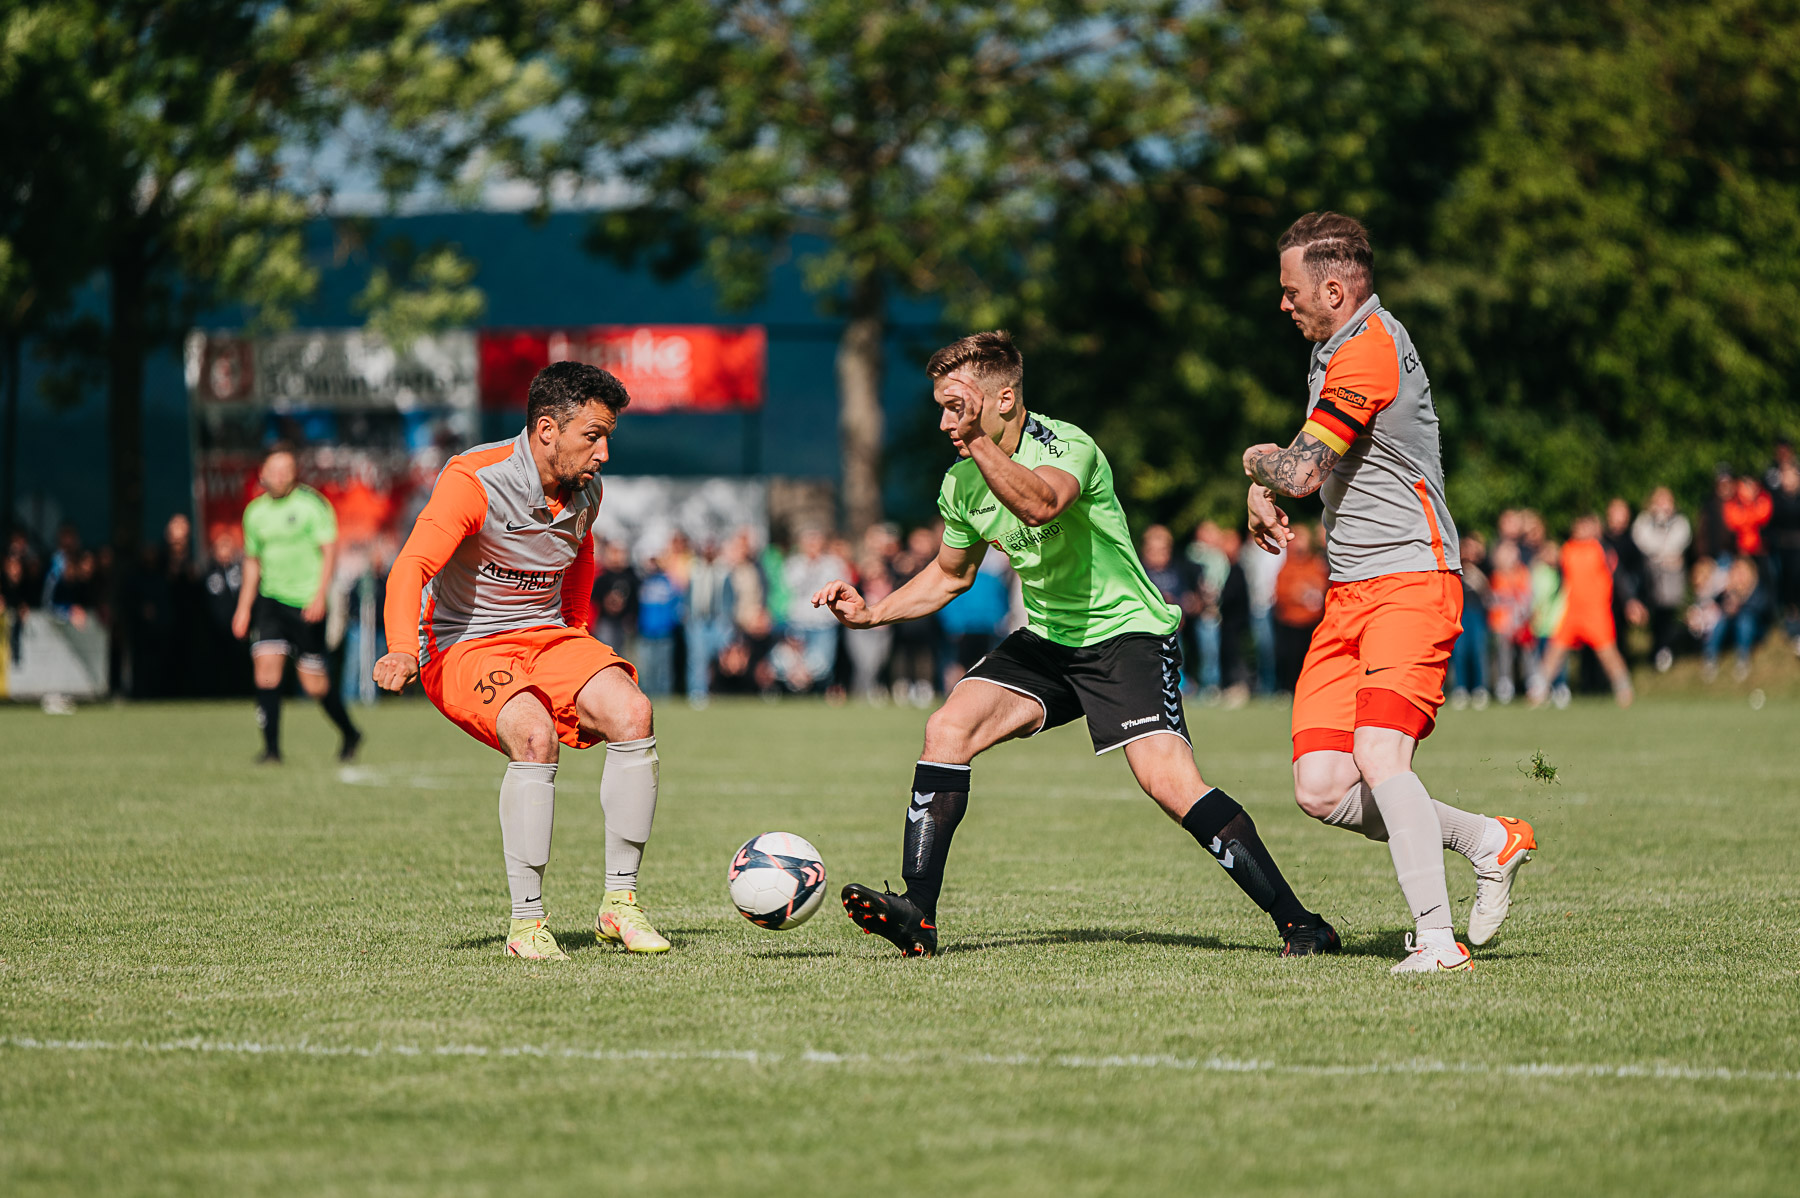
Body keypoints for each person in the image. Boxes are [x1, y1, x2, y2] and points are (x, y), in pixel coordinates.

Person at [815, 330, 1338, 958]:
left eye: (958, 407)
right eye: (942, 409)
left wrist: (976, 441)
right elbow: (951, 575)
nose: (947, 423)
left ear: (1003, 399)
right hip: (1047, 640)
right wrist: (874, 612)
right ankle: (916, 915)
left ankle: (1301, 923)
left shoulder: (1067, 446)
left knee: (1169, 784)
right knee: (946, 729)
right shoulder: (962, 482)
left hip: (1127, 636)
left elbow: (1040, 505)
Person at [1242, 211, 1535, 974]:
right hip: (1350, 593)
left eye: (1291, 290)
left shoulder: (1370, 348)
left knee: (1378, 753)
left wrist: (1256, 463)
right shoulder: (1336, 349)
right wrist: (1267, 486)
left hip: (1412, 580)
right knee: (1321, 785)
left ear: (1334, 291)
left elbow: (1300, 470)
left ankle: (1437, 942)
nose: (1283, 302)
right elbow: (1314, 464)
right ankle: (1487, 840)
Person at [372, 362, 669, 961]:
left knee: (632, 711)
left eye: (608, 436)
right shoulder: (475, 479)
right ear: (546, 430)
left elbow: (580, 553)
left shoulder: (587, 489)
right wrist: (401, 646)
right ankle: (527, 924)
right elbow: (411, 567)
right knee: (535, 736)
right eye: (593, 435)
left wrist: (577, 632)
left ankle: (620, 903)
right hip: (463, 643)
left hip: (547, 637)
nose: (604, 453)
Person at [230, 445, 362, 763]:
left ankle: (350, 732)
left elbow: (329, 552)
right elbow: (252, 563)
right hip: (270, 601)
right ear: (262, 474)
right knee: (266, 671)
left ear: (294, 474)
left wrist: (320, 596)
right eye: (274, 471)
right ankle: (271, 751)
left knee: (314, 684)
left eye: (286, 471)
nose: (279, 476)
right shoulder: (255, 512)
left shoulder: (312, 505)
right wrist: (243, 608)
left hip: (305, 603)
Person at [1529, 515, 1634, 707]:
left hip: (1596, 611)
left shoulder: (1601, 549)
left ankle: (1623, 688)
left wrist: (1630, 601)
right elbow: (1553, 561)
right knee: (1555, 651)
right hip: (1572, 611)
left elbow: (1619, 577)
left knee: (1607, 652)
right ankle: (1538, 690)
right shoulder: (1568, 549)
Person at [1632, 487, 1692, 672]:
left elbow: (1678, 542)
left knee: (1669, 614)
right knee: (1656, 616)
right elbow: (1645, 543)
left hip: (1672, 579)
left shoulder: (1680, 522)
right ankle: (1656, 649)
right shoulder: (1644, 522)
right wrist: (1663, 553)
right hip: (1651, 578)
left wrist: (1663, 552)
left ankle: (1666, 650)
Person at [1270, 523, 1328, 692]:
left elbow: (1323, 586)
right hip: (1291, 622)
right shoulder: (1286, 566)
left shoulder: (1316, 563)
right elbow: (1280, 592)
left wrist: (1312, 591)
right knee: (1291, 660)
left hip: (1312, 622)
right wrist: (1296, 594)